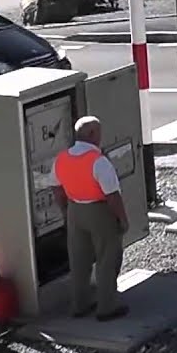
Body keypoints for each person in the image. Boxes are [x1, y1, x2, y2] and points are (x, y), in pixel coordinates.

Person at [53, 116, 130, 322]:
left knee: (79, 260)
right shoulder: (99, 161)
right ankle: (107, 307)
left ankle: (80, 304)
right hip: (99, 211)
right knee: (107, 258)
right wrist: (122, 219)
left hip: (74, 210)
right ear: (93, 135)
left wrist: (65, 209)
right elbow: (112, 195)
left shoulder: (62, 158)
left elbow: (56, 187)